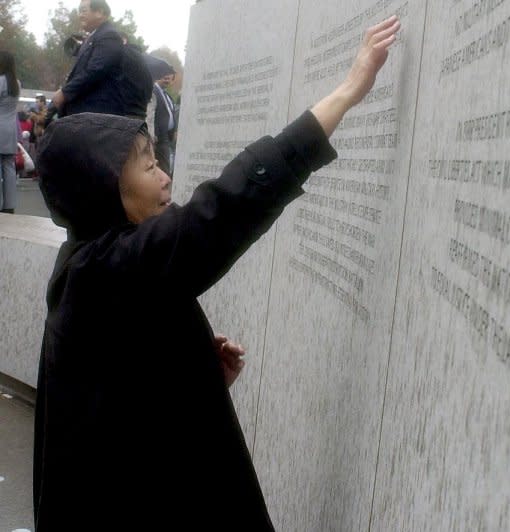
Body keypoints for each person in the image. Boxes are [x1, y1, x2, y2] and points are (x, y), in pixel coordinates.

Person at [33, 14, 400, 531]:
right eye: (144, 165)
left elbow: (114, 405)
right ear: (102, 189)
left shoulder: (90, 263)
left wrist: (186, 372)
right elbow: (224, 208)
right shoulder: (105, 270)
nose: (164, 178)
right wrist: (347, 91)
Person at [52, 0, 126, 117]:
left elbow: (96, 69)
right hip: (85, 114)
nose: (80, 15)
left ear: (100, 12)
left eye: (83, 11)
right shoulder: (94, 37)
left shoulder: (109, 36)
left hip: (97, 115)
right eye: (79, 11)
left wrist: (65, 92)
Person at [0, 51, 20, 214]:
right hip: (11, 128)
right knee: (9, 166)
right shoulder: (17, 84)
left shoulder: (0, 82)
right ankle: (9, 204)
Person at [153, 66, 177, 175]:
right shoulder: (153, 91)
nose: (167, 77)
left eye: (170, 75)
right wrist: (154, 134)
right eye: (165, 73)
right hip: (158, 138)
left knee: (165, 169)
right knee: (164, 171)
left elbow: (172, 115)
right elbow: (150, 114)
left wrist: (174, 130)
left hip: (167, 137)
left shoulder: (168, 96)